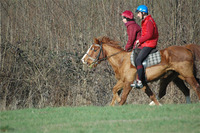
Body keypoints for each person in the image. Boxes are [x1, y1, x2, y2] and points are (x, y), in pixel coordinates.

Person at [132, 5, 159, 88]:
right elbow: (144, 35)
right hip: (146, 43)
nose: (137, 15)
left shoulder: (149, 21)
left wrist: (139, 41)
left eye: (138, 13)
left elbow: (149, 34)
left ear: (143, 13)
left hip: (150, 44)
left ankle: (140, 81)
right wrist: (139, 42)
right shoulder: (145, 21)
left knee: (139, 59)